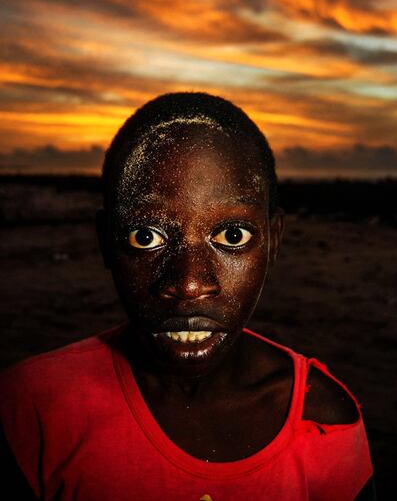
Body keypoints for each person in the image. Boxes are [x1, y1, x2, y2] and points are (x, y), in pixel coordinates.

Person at [0, 93, 375, 500]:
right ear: (106, 243)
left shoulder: (322, 419)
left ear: (273, 241)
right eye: (146, 236)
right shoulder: (32, 406)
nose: (190, 283)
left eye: (233, 236)